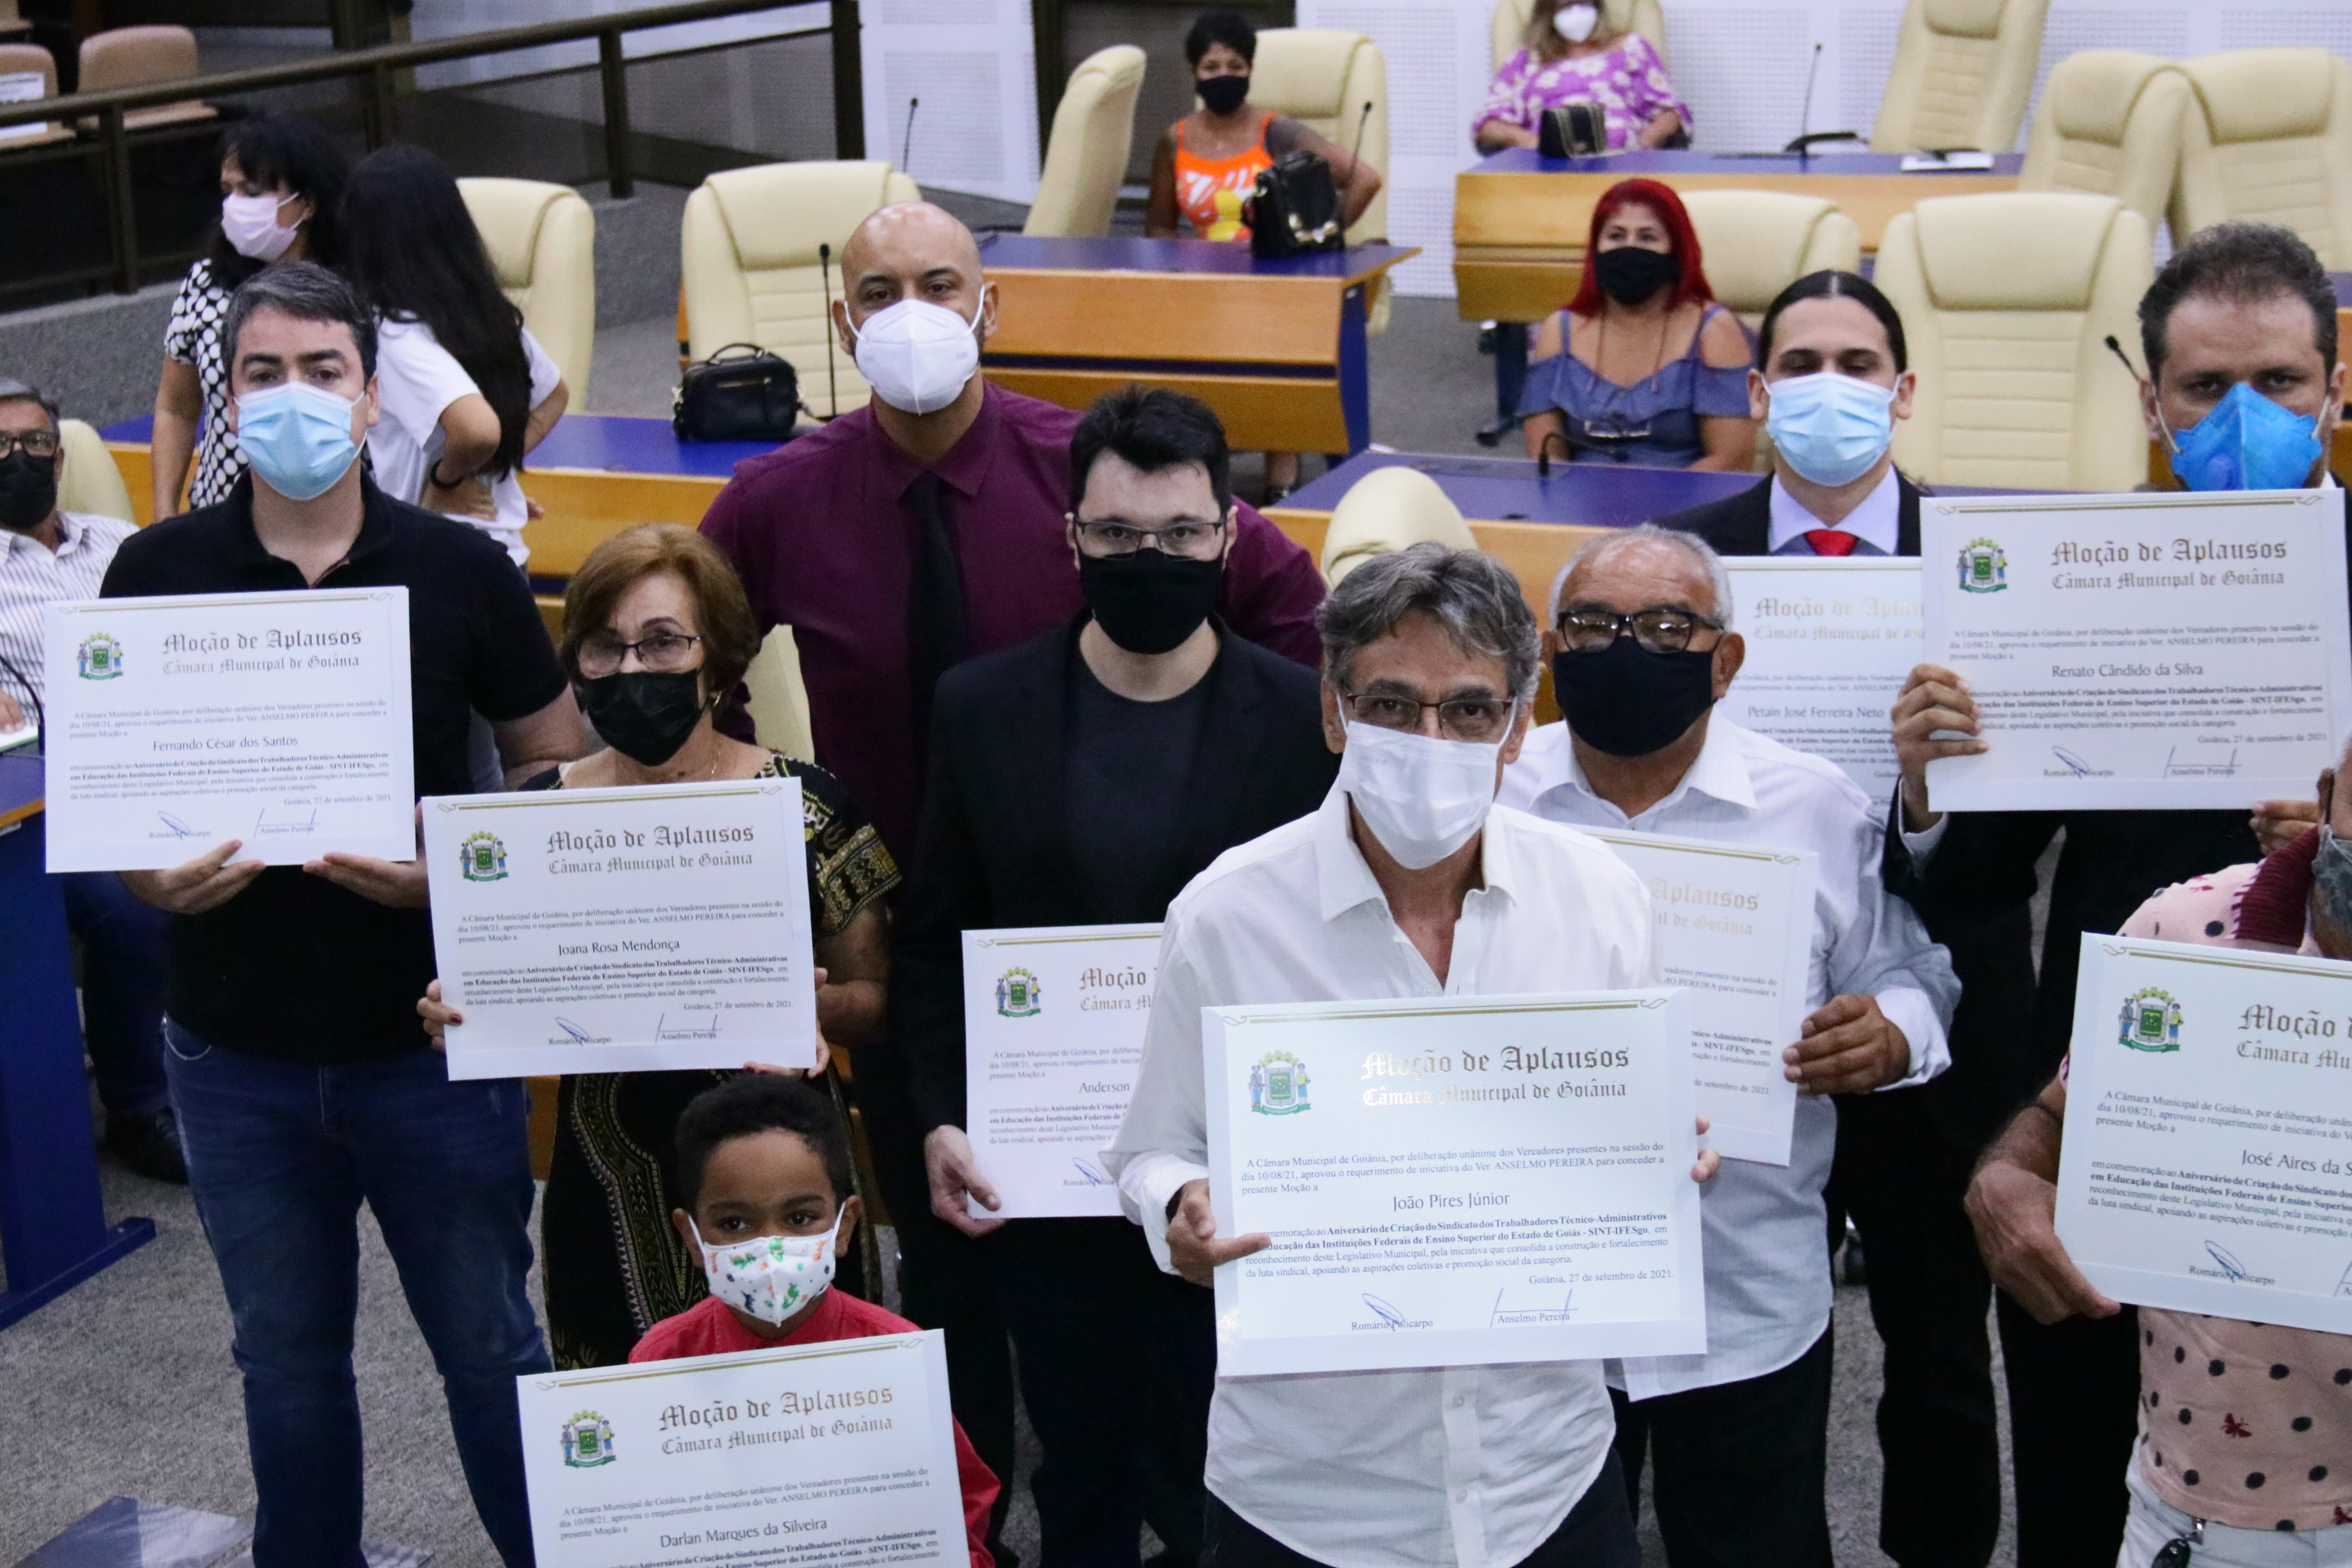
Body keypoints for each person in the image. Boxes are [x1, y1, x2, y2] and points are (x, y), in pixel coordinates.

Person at [102, 262, 588, 1568]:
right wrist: (149, 879)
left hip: (429, 1043)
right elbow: (118, 800)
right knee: (286, 1360)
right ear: (227, 397)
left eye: (324, 371)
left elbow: (554, 768)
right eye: (263, 373)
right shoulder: (155, 568)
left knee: (491, 1346)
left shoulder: (460, 568)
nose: (294, 396)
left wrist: (459, 870)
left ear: (373, 396)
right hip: (232, 1048)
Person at [1106, 541, 1722, 1568]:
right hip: (1311, 1498)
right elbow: (1150, 1150)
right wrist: (1181, 1205)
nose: (1430, 739)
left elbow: (1644, 1126)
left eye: (1470, 710)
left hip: (1547, 1478)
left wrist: (1662, 1157)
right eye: (1391, 704)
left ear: (1519, 729)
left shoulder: (1602, 900)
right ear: (1333, 711)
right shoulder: (1227, 915)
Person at [1883, 221, 2343, 1566]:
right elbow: (1978, 883)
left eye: (2279, 382)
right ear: (2151, 403)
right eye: (2206, 387)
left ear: (2336, 388)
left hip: (2329, 1113)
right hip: (2105, 1097)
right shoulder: (2077, 580)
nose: (2244, 416)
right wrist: (1929, 790)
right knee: (2085, 1484)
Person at [897, 387, 1339, 1568]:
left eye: (1182, 532)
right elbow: (936, 934)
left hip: (1232, 1171)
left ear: (1230, 533)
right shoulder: (981, 707)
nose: (1152, 557)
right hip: (1050, 1176)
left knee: (1222, 1470)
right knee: (1080, 1467)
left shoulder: (1302, 720)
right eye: (1119, 534)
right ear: (1073, 537)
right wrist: (939, 1114)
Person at [1653, 271, 2032, 1568]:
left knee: (1938, 1348)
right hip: (1742, 1007)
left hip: (1942, 1000)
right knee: (1735, 1334)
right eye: (1802, 364)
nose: (1832, 388)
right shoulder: (1686, 559)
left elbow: (2025, 836)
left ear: (1902, 390)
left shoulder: (1984, 567)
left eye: (1858, 364)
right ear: (1759, 395)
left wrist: (1931, 798)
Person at [1498, 525, 1955, 1568]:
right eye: (1592, 626)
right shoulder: (1494, 797)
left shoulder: (1814, 807)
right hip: (1537, 1298)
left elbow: (1915, 972)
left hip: (1743, 1296)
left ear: (1727, 659)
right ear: (1551, 651)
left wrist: (1891, 1033)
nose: (1626, 650)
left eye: (1668, 628)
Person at [416, 522, 898, 1371]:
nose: (633, 669)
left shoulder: (806, 805)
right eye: (605, 646)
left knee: (811, 1399)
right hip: (606, 1159)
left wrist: (813, 1006)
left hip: (785, 1170)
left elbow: (878, 1000)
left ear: (719, 660)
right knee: (626, 1399)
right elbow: (504, 990)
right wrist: (463, 1009)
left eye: (664, 641)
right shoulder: (534, 819)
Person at [1963, 756, 2352, 1564]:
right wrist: (2010, 1175)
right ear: (2326, 797)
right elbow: (2063, 1112)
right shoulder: (2186, 929)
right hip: (2207, 1509)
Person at [628, 1073, 1001, 1568]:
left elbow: (960, 1503)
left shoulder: (894, 1353)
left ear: (844, 1227)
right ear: (693, 1238)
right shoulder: (662, 1360)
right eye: (734, 1223)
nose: (769, 1246)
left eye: (800, 1218)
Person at [0, 377, 181, 1181]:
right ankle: (141, 1106)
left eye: (35, 442)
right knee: (135, 907)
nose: (19, 459)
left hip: (160, 757)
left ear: (59, 455)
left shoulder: (119, 542)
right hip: (44, 794)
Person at [339, 145, 568, 569]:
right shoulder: (483, 313)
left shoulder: (395, 336)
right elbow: (554, 395)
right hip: (499, 557)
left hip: (437, 560)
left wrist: (446, 482)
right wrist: (494, 475)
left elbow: (477, 429)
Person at [153, 114, 350, 518]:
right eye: (229, 191)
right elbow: (176, 408)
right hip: (222, 514)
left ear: (307, 203)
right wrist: (163, 513)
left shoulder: (355, 290)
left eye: (252, 191)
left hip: (337, 517)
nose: (236, 205)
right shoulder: (205, 284)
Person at [1517, 179, 1755, 472]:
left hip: (1689, 497)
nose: (1630, 247)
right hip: (1578, 497)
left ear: (1677, 251)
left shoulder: (1714, 332)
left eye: (1647, 237)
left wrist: (1657, 501)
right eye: (1616, 236)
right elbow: (1544, 456)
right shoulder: (1558, 330)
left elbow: (1731, 461)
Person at [1145, 10, 1382, 246]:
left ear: (1250, 69)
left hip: (1275, 268)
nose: (1224, 75)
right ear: (1194, 71)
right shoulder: (1175, 140)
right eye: (1211, 67)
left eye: (1235, 66)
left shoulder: (1277, 132)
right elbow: (1160, 227)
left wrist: (1318, 237)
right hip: (1203, 268)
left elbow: (1365, 180)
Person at [1473, 2, 1689, 154]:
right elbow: (1488, 126)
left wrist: (1641, 145)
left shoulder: (1631, 48)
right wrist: (1534, 142)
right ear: (1547, 9)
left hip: (1624, 163)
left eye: (1583, 3)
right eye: (1566, 5)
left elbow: (1670, 114)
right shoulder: (1526, 58)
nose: (1576, 12)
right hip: (1548, 166)